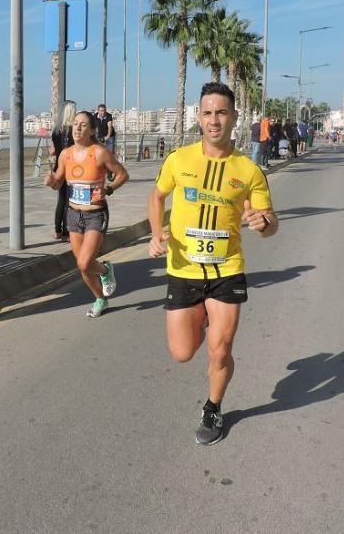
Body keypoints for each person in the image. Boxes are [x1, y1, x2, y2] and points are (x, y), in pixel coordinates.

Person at [147, 82, 278, 446]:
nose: (214, 120)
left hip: (226, 270)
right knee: (182, 353)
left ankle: (214, 407)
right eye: (207, 113)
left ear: (234, 117)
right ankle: (202, 314)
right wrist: (156, 233)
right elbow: (156, 197)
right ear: (198, 117)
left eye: (221, 112)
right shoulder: (179, 160)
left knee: (219, 350)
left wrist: (263, 224)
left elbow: (269, 222)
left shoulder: (249, 171)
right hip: (183, 269)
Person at [44, 111, 128, 318]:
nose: (77, 128)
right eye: (75, 124)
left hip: (95, 214)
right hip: (73, 214)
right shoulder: (66, 154)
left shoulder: (99, 152)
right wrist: (51, 181)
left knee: (84, 262)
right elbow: (58, 184)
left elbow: (122, 174)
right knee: (83, 266)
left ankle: (106, 271)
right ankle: (100, 298)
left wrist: (108, 189)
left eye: (83, 125)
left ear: (92, 131)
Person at [49, 99, 76, 241]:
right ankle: (66, 233)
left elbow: (52, 151)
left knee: (61, 200)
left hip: (58, 168)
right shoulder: (75, 131)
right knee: (69, 201)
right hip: (72, 169)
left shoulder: (56, 131)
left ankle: (57, 231)